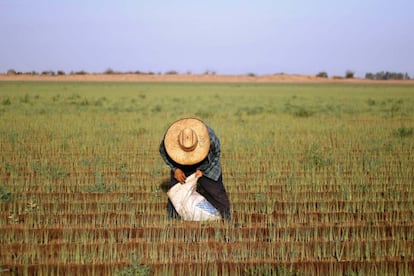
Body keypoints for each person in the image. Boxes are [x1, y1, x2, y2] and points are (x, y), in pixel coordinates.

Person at [159, 118, 231, 220]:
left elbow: (216, 154)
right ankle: (173, 221)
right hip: (181, 164)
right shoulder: (170, 137)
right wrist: (175, 169)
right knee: (177, 193)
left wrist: (203, 169)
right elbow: (163, 152)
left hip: (206, 163)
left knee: (217, 193)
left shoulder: (209, 136)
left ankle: (226, 220)